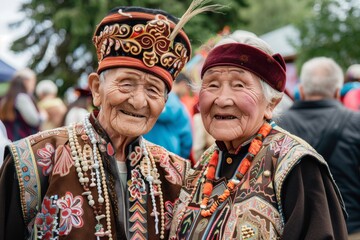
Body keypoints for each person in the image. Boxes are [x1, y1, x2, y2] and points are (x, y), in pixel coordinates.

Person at [0, 3, 217, 239]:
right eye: (126, 83)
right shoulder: (34, 160)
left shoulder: (176, 175)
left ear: (164, 104)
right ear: (96, 89)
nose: (138, 101)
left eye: (153, 90)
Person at [169, 35, 348, 239]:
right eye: (212, 85)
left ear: (271, 103)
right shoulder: (205, 163)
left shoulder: (295, 166)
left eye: (239, 85)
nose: (222, 99)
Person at [276, 57, 360, 239]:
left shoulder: (277, 127)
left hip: (297, 232)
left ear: (301, 90)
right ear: (338, 92)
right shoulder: (356, 123)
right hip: (351, 229)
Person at [144, 91, 193, 159]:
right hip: (170, 156)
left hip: (143, 153)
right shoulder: (178, 105)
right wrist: (181, 158)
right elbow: (186, 137)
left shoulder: (143, 102)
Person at [0, 68, 44, 141]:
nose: (33, 85)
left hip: (10, 140)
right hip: (23, 141)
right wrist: (43, 116)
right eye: (33, 82)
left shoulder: (6, 98)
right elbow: (34, 120)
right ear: (26, 81)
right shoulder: (22, 97)